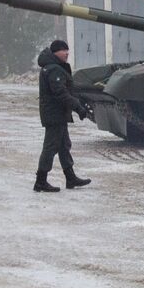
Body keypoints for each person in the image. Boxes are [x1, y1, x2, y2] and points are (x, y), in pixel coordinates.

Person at [35, 39, 92, 192]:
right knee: (50, 147)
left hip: (57, 114)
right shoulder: (54, 69)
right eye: (63, 50)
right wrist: (78, 107)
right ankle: (40, 181)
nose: (67, 53)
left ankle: (70, 177)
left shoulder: (52, 67)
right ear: (55, 52)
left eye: (68, 50)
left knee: (63, 146)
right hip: (55, 115)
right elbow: (61, 93)